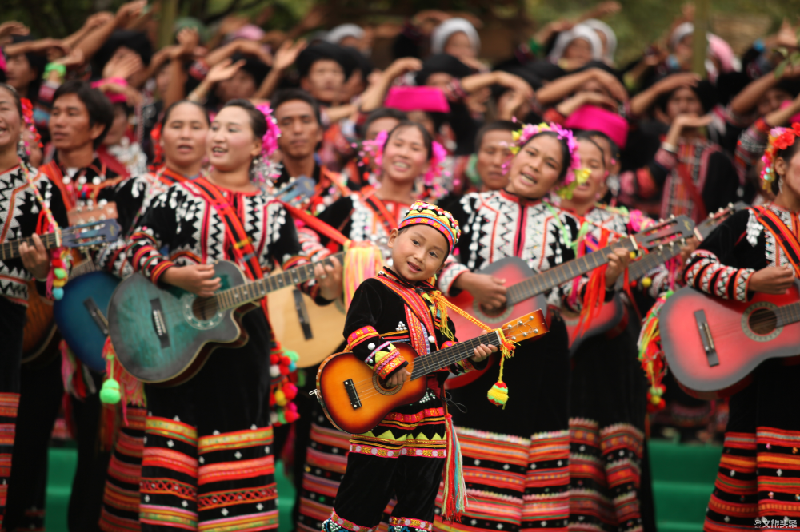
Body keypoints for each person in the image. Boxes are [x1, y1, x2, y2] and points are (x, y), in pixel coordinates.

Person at [126, 98, 342, 531]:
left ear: (259, 146)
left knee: (235, 445)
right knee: (174, 447)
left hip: (245, 346)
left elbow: (296, 268)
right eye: (216, 128)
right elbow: (138, 246)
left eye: (231, 130)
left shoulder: (274, 211)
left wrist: (330, 283)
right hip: (179, 343)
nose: (218, 137)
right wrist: (175, 275)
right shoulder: (175, 196)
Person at [435, 123, 631, 532]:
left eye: (550, 165)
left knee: (530, 458)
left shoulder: (567, 227)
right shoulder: (464, 207)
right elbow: (424, 257)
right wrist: (468, 281)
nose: (535, 166)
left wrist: (608, 279)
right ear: (514, 156)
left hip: (536, 355)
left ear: (560, 179)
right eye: (531, 155)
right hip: (467, 345)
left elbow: (572, 296)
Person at [296, 121, 443, 532]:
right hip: (354, 353)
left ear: (428, 162)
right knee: (350, 466)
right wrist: (326, 271)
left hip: (413, 361)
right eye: (398, 143)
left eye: (416, 147)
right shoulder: (350, 204)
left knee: (412, 487)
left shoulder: (437, 217)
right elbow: (302, 234)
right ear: (380, 150)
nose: (404, 152)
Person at [322, 201, 496, 532]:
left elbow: (447, 356)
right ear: (393, 238)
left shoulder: (438, 305)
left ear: (442, 265)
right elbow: (358, 332)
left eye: (433, 254)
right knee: (362, 498)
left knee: (417, 506)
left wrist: (473, 356)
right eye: (415, 242)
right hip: (382, 414)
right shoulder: (374, 289)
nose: (419, 256)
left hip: (429, 423)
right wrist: (387, 362)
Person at [96, 100, 210, 532]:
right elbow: (106, 250)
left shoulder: (226, 196)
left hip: (209, 331)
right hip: (150, 323)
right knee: (142, 441)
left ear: (210, 137)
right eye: (175, 125)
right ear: (158, 135)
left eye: (194, 126)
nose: (184, 134)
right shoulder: (133, 188)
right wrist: (166, 273)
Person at [681, 126, 800, 530]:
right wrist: (750, 282)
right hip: (762, 389)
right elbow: (693, 267)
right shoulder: (749, 221)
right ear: (780, 164)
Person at [0, 82, 69, 529]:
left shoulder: (41, 190)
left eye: (2, 107)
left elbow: (54, 279)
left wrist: (43, 267)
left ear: (23, 118)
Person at [272, 89, 349, 215]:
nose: (297, 130)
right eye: (286, 123)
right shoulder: (262, 191)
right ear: (274, 134)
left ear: (319, 132)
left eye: (306, 121)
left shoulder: (343, 189)